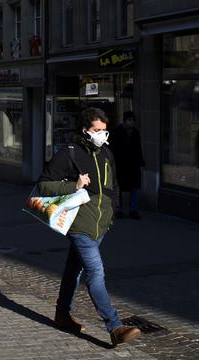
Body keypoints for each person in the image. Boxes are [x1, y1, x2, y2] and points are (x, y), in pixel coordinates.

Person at [37, 107, 141, 347]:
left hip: (101, 224)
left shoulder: (106, 153)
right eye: (97, 130)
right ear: (85, 131)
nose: (102, 135)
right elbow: (43, 186)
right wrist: (73, 185)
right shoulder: (69, 153)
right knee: (95, 272)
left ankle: (62, 315)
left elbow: (113, 185)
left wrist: (112, 212)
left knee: (74, 269)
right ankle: (115, 327)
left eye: (104, 131)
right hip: (80, 224)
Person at [109, 111, 145, 220]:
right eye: (129, 120)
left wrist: (141, 161)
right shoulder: (117, 132)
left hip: (133, 164)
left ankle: (133, 209)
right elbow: (113, 148)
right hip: (121, 164)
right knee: (119, 186)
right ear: (124, 121)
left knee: (135, 186)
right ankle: (119, 209)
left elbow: (138, 148)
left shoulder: (135, 132)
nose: (131, 123)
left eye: (133, 121)